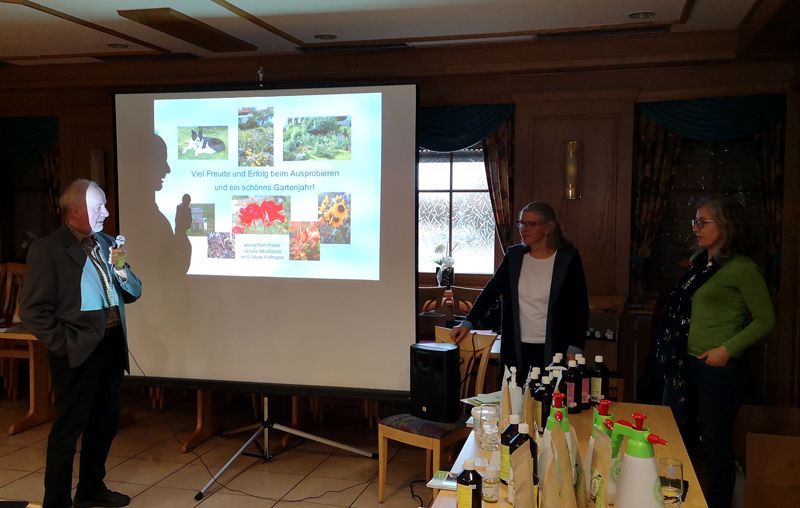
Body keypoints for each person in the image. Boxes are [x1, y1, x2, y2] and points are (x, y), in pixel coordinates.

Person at [20, 179, 142, 508]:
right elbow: (32, 311)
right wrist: (63, 343)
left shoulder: (107, 242)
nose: (106, 212)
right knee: (68, 429)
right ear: (76, 210)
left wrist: (120, 270)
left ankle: (90, 489)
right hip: (76, 351)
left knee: (105, 422)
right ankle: (56, 501)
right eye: (99, 207)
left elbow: (134, 292)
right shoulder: (48, 249)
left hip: (111, 346)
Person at [655, 196, 775, 508]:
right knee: (674, 438)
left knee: (714, 448)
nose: (695, 227)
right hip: (682, 366)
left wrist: (726, 349)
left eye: (702, 222)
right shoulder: (699, 263)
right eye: (694, 221)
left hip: (716, 370)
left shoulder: (742, 268)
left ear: (725, 226)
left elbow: (766, 319)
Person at [451, 201, 589, 384]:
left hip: (556, 348)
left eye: (531, 224)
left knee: (549, 397)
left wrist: (575, 346)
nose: (524, 229)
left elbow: (580, 307)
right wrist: (468, 322)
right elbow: (490, 292)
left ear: (548, 228)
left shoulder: (568, 259)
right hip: (516, 347)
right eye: (522, 223)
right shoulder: (514, 256)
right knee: (513, 396)